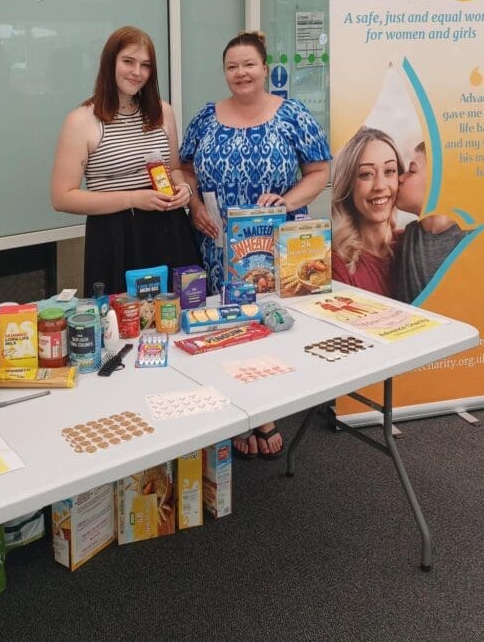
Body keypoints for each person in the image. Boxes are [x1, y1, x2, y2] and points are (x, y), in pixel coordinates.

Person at [179, 31, 331, 460]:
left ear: (264, 68)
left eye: (249, 64)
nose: (240, 73)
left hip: (271, 243)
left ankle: (262, 412)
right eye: (232, 66)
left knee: (267, 327)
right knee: (222, 325)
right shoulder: (206, 117)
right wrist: (192, 204)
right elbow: (183, 167)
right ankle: (226, 409)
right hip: (217, 241)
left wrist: (287, 201)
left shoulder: (292, 114)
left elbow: (319, 171)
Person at [50, 26, 199, 296]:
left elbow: (174, 169)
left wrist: (184, 190)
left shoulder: (163, 112)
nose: (137, 72)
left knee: (177, 317)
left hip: (170, 229)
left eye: (145, 65)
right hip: (114, 236)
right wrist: (133, 199)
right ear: (110, 62)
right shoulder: (82, 120)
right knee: (120, 326)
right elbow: (62, 197)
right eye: (128, 61)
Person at [331, 126, 404, 297]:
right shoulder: (338, 267)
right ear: (349, 184)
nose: (380, 186)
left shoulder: (413, 244)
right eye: (366, 174)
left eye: (390, 171)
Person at [395, 141, 467, 304]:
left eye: (411, 171)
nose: (400, 178)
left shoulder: (465, 239)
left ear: (438, 182)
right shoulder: (411, 233)